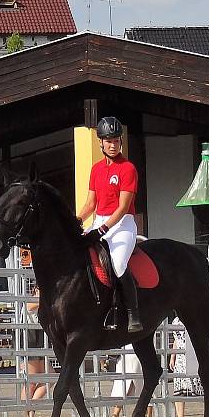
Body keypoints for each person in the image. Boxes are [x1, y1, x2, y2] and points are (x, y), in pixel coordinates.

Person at [76, 116, 142, 333]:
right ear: (101, 143)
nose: (113, 145)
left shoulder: (128, 168)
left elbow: (123, 207)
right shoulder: (96, 169)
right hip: (99, 220)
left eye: (116, 140)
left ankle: (132, 313)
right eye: (108, 141)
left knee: (118, 263)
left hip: (123, 224)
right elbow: (90, 203)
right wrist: (75, 220)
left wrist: (102, 229)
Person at [20, 284, 48, 417]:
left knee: (50, 377)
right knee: (31, 381)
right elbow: (29, 307)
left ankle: (31, 410)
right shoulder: (32, 300)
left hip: (36, 338)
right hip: (30, 338)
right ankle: (29, 413)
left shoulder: (38, 302)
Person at [169, 315, 202, 417]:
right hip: (180, 358)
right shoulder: (175, 320)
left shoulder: (193, 316)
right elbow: (176, 340)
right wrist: (172, 356)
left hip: (192, 355)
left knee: (199, 386)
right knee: (179, 388)